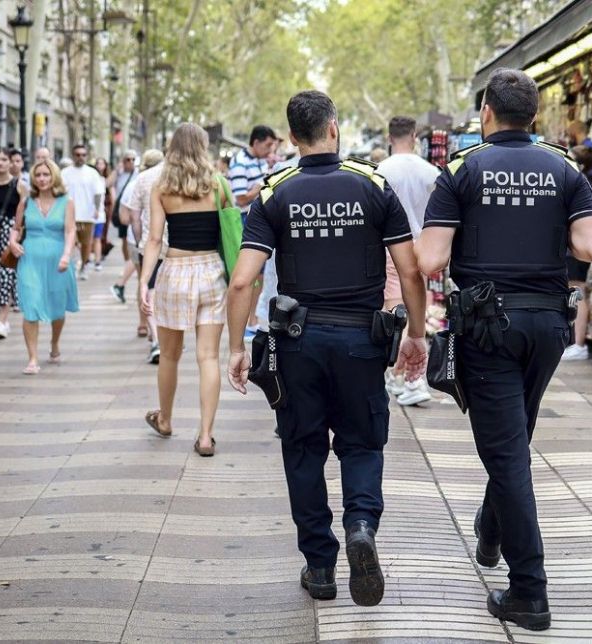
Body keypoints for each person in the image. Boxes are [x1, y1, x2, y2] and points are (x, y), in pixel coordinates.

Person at [417, 68, 592, 631]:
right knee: (514, 440)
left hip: (487, 327)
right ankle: (491, 526)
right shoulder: (564, 168)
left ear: (485, 113)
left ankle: (529, 590)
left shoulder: (461, 170)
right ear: (534, 117)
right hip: (548, 325)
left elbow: (430, 260)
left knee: (507, 454)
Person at [225, 90, 428, 607]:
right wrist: (417, 334)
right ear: (334, 127)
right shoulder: (373, 185)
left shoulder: (274, 193)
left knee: (303, 448)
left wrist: (236, 347)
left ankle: (320, 567)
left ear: (291, 138)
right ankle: (361, 524)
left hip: (299, 344)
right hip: (361, 339)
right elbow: (409, 269)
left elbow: (241, 281)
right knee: (362, 442)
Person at [140, 124, 234, 457]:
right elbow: (230, 232)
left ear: (172, 148)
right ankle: (206, 435)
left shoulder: (161, 187)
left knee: (169, 354)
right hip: (212, 272)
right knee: (208, 356)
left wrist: (144, 282)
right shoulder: (219, 185)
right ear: (204, 147)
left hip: (175, 273)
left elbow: (153, 240)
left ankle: (165, 420)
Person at [376, 115, 441, 406]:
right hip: (422, 244)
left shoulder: (380, 171)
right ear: (414, 136)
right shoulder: (431, 172)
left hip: (390, 245)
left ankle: (398, 372)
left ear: (389, 138)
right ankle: (407, 375)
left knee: (394, 306)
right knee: (417, 306)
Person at [8, 159, 79, 374]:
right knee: (30, 305)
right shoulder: (26, 202)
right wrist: (12, 243)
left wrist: (67, 255)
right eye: (38, 175)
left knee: (57, 307)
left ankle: (54, 344)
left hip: (58, 260)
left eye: (46, 175)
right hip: (30, 259)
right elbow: (16, 227)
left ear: (54, 176)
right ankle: (32, 358)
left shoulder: (66, 201)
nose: (42, 179)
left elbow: (70, 230)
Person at [229, 124, 277, 339]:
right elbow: (240, 198)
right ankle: (249, 321)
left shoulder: (259, 160)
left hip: (257, 218)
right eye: (267, 145)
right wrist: (261, 186)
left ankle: (253, 319)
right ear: (256, 142)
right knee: (252, 273)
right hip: (246, 219)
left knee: (260, 274)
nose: (269, 149)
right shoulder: (239, 163)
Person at [561, 144, 592, 362]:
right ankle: (574, 341)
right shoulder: (580, 182)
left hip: (577, 248)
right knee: (575, 291)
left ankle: (578, 343)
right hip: (574, 246)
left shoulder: (580, 183)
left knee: (577, 291)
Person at [124, 149, 166, 363]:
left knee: (149, 289)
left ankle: (157, 340)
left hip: (151, 244)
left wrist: (141, 240)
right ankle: (167, 337)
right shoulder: (175, 174)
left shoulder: (142, 179)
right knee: (166, 292)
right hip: (176, 245)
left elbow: (134, 216)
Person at [0, 147, 26, 339]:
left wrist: (17, 235)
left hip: (10, 235)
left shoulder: (19, 185)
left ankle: (2, 320)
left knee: (7, 275)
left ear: (11, 162)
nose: (0, 163)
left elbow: (25, 213)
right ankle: (3, 319)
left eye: (4, 159)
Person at [60, 144, 105, 280]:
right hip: (69, 215)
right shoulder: (65, 172)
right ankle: (71, 266)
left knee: (86, 244)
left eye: (83, 155)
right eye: (77, 155)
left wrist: (97, 209)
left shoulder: (92, 173)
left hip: (87, 215)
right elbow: (60, 192)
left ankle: (84, 265)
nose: (80, 157)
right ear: (73, 156)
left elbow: (98, 193)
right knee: (70, 242)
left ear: (86, 156)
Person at [109, 150, 139, 303]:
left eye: (134, 159)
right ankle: (119, 284)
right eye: (128, 159)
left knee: (137, 258)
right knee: (135, 256)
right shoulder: (120, 174)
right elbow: (108, 184)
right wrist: (116, 170)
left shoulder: (138, 174)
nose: (131, 162)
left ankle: (121, 285)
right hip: (126, 215)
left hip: (136, 224)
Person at [92, 156, 114, 271]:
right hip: (89, 214)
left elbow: (110, 192)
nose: (100, 166)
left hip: (101, 212)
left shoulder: (104, 179)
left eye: (102, 164)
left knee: (98, 237)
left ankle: (97, 261)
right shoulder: (91, 177)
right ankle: (87, 259)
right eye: (98, 163)